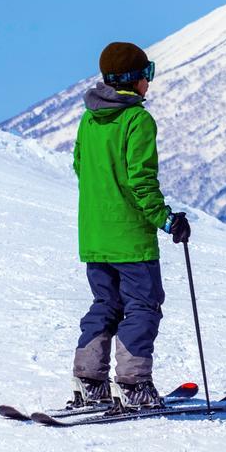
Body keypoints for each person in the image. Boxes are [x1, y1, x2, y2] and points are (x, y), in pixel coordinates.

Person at [69, 42, 191, 409]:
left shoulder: (89, 119)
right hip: (131, 240)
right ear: (133, 79)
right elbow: (141, 182)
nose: (149, 83)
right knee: (143, 305)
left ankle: (89, 379)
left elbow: (80, 166)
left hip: (94, 236)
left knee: (105, 303)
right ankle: (134, 383)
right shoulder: (137, 120)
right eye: (147, 74)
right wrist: (167, 220)